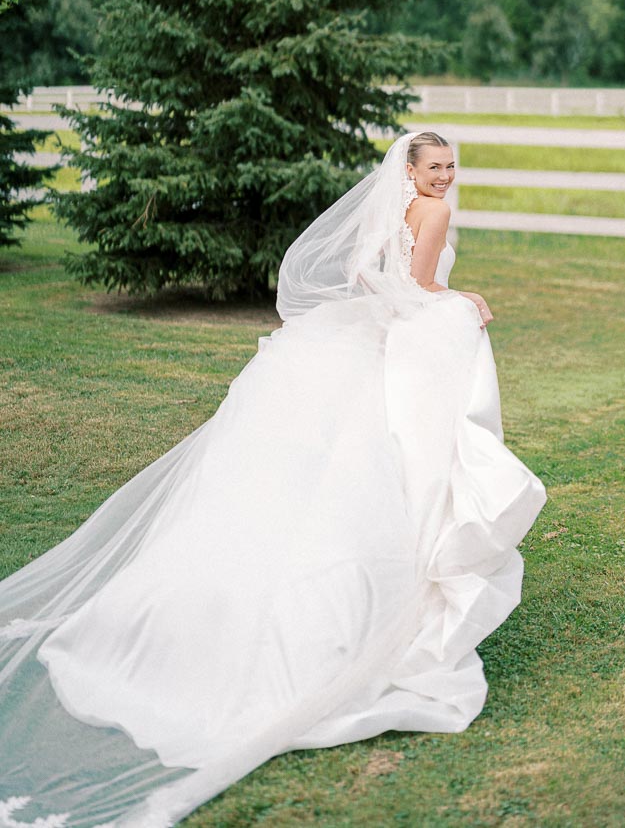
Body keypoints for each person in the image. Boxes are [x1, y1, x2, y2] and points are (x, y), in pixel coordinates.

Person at [0, 131, 546, 828]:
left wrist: (413, 293)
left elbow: (360, 275)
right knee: (400, 465)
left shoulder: (390, 208)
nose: (444, 177)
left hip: (361, 337)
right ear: (410, 171)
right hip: (398, 344)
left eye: (449, 167)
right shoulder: (433, 214)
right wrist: (461, 299)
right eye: (434, 167)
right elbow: (421, 290)